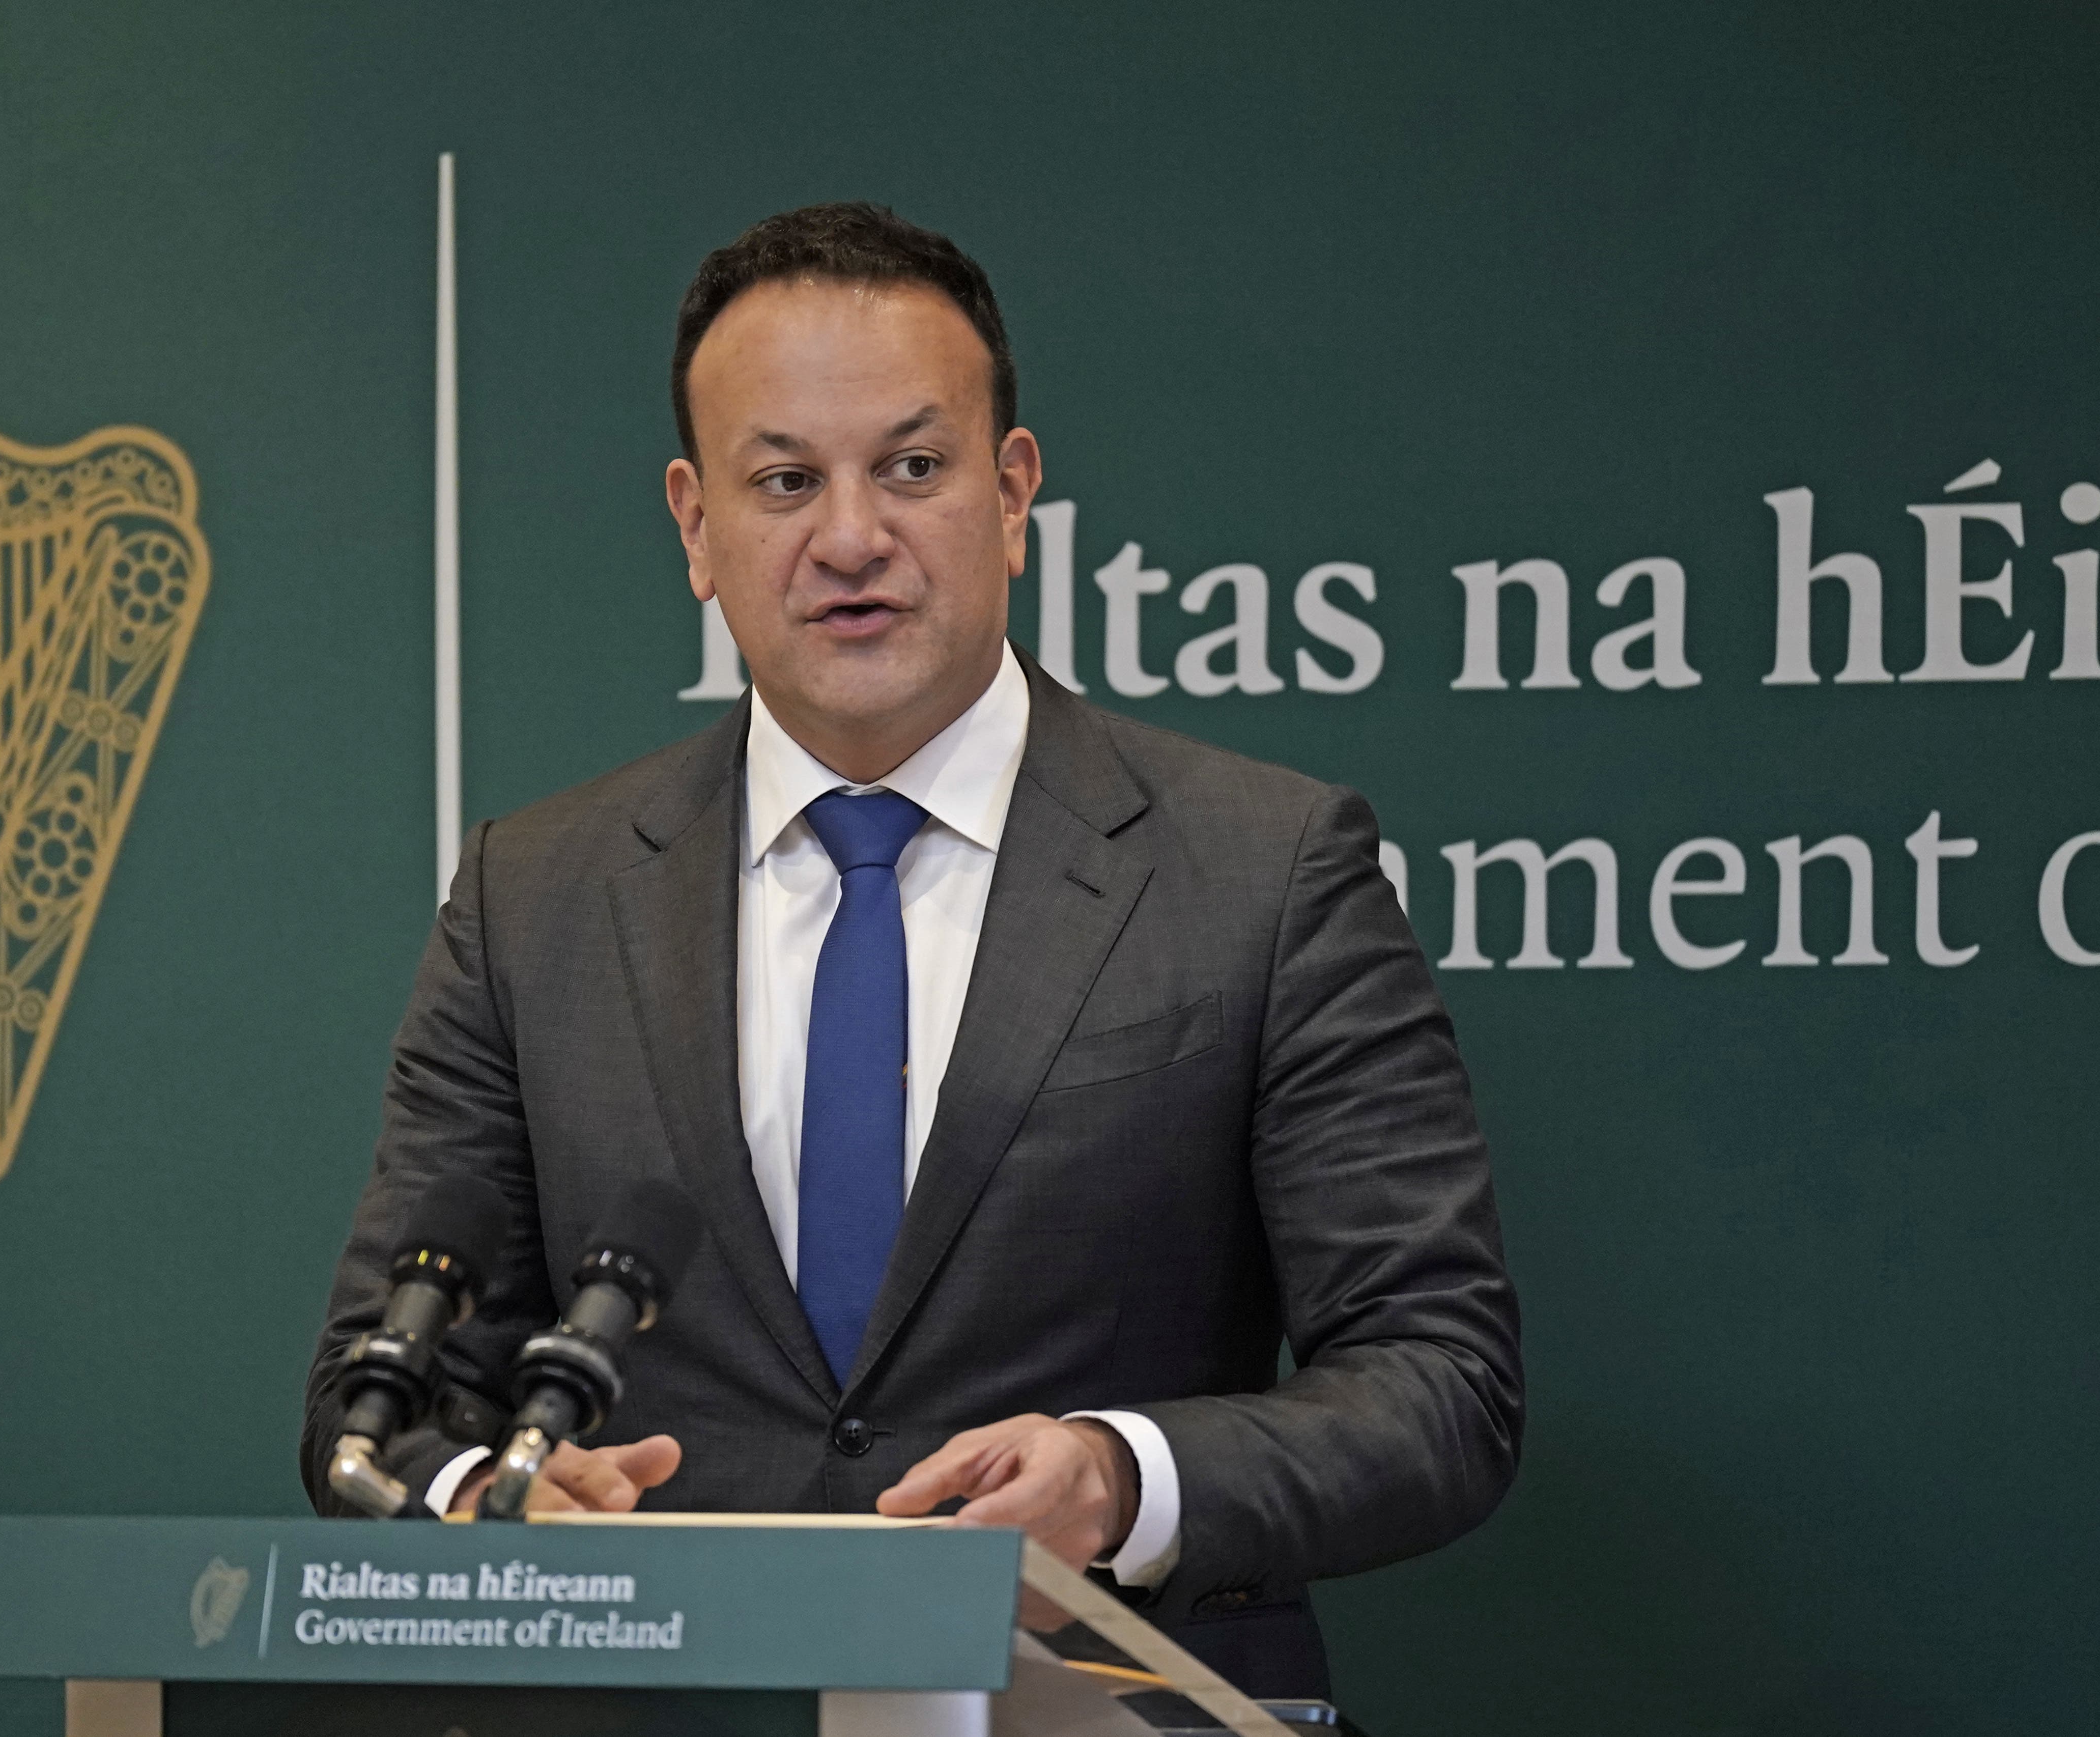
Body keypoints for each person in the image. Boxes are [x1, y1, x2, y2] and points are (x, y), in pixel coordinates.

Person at [304, 202, 1521, 1698]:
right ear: (696, 525)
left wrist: (1122, 1477)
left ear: (1013, 494)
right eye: (784, 481)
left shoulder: (1264, 871)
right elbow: (373, 1401)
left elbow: (1442, 1382)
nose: (852, 537)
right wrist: (495, 1502)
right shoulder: (533, 895)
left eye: (913, 467)